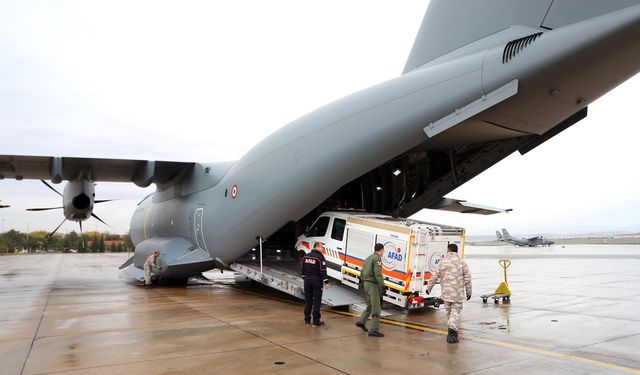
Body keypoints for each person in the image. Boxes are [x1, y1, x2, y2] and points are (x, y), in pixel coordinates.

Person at [426, 243, 472, 343]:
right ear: (456, 251)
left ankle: (451, 332)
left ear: (448, 251)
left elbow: (434, 276)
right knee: (455, 313)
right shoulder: (462, 262)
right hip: (457, 294)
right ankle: (452, 333)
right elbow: (468, 279)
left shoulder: (443, 262)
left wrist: (429, 287)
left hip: (446, 293)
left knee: (449, 313)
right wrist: (469, 292)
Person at [355, 243, 385, 337]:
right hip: (372, 284)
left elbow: (362, 272)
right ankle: (374, 329)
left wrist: (364, 282)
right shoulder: (377, 259)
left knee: (371, 305)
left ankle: (361, 321)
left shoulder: (368, 258)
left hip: (366, 283)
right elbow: (377, 274)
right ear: (382, 250)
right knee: (376, 307)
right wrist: (382, 285)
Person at [300, 241, 330, 326]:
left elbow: (302, 270)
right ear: (316, 247)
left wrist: (305, 278)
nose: (322, 249)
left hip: (307, 280)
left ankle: (307, 321)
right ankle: (316, 321)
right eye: (321, 247)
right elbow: (323, 270)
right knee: (316, 301)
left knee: (308, 301)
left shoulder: (306, 256)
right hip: (316, 281)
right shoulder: (320, 257)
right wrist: (326, 282)